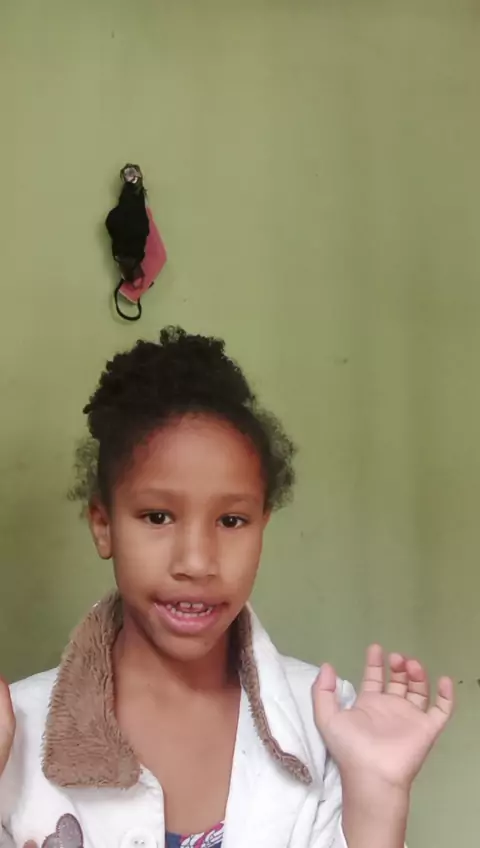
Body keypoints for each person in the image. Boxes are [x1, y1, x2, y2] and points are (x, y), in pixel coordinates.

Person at [0, 327, 453, 848]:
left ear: (263, 525)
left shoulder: (330, 724)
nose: (197, 562)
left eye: (231, 521)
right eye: (158, 516)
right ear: (104, 526)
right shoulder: (17, 731)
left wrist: (379, 794)